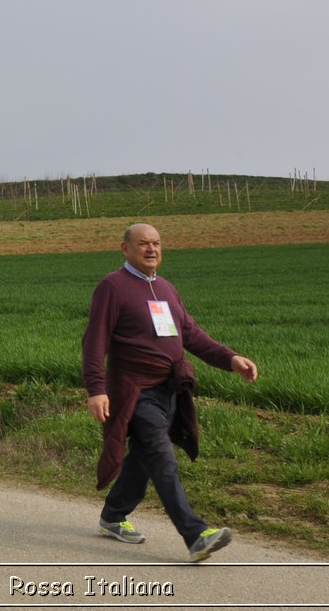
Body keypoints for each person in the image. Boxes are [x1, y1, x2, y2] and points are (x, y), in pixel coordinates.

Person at [83, 223, 259, 562]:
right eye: (143, 244)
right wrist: (96, 389)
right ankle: (195, 535)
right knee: (162, 456)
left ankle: (113, 514)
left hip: (170, 391)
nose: (152, 249)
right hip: (136, 392)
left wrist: (230, 358)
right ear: (125, 249)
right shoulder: (112, 287)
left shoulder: (164, 288)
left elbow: (191, 334)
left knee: (144, 458)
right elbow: (94, 342)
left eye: (157, 243)